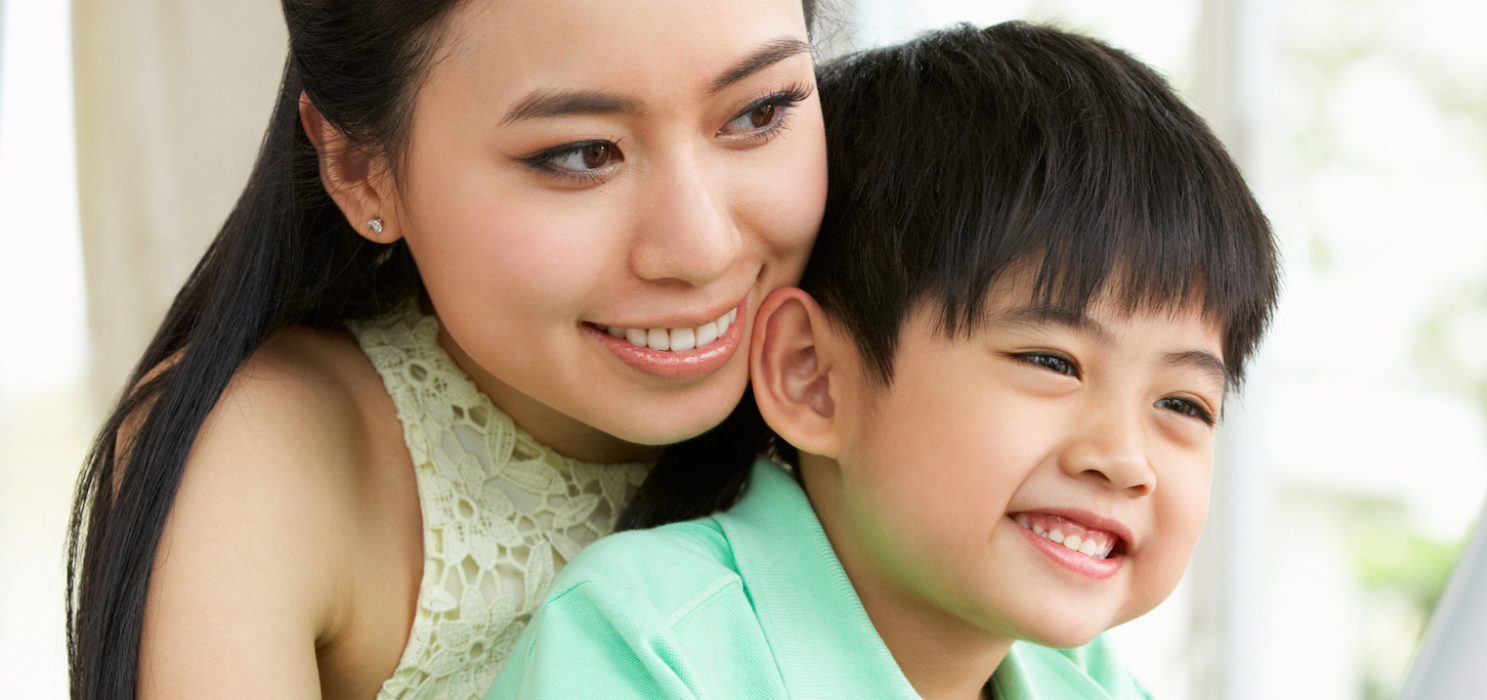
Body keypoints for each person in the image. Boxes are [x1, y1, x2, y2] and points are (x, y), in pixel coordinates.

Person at [489, 22, 1282, 699]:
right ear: (814, 378)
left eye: (1183, 404)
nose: (1124, 459)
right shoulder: (650, 635)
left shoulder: (1086, 675)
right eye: (1052, 360)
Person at [66, 0, 825, 697]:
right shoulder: (276, 456)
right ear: (362, 171)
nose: (700, 249)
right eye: (581, 154)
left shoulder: (904, 353)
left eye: (760, 112)